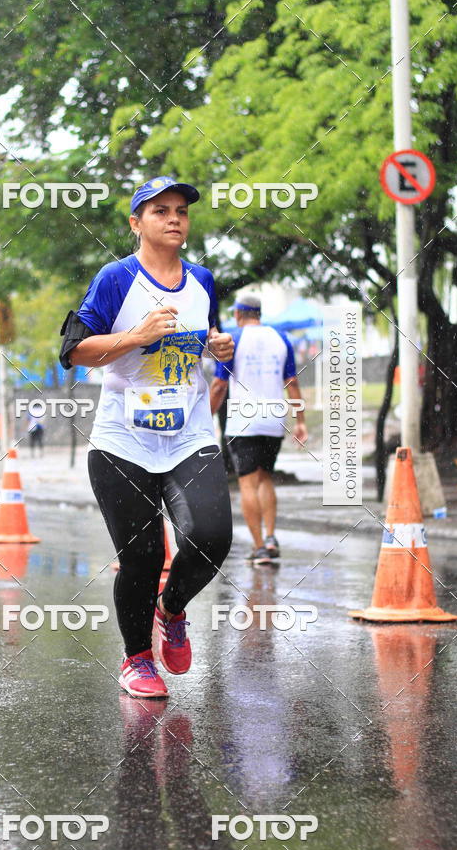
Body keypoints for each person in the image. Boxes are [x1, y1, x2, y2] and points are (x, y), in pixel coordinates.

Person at [59, 176, 234, 699]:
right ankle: (137, 660)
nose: (175, 218)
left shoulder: (201, 278)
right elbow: (72, 351)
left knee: (210, 538)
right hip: (122, 441)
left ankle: (171, 609)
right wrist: (136, 336)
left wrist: (217, 346)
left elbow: (204, 338)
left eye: (181, 209)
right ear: (137, 223)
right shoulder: (116, 278)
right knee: (140, 559)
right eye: (160, 211)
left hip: (189, 435)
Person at [209, 292, 308, 566]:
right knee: (265, 477)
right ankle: (272, 537)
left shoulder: (233, 339)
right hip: (274, 419)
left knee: (248, 483)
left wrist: (205, 416)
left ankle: (259, 546)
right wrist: (300, 420)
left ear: (239, 314)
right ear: (259, 314)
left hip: (244, 421)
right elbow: (293, 383)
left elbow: (219, 386)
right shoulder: (281, 338)